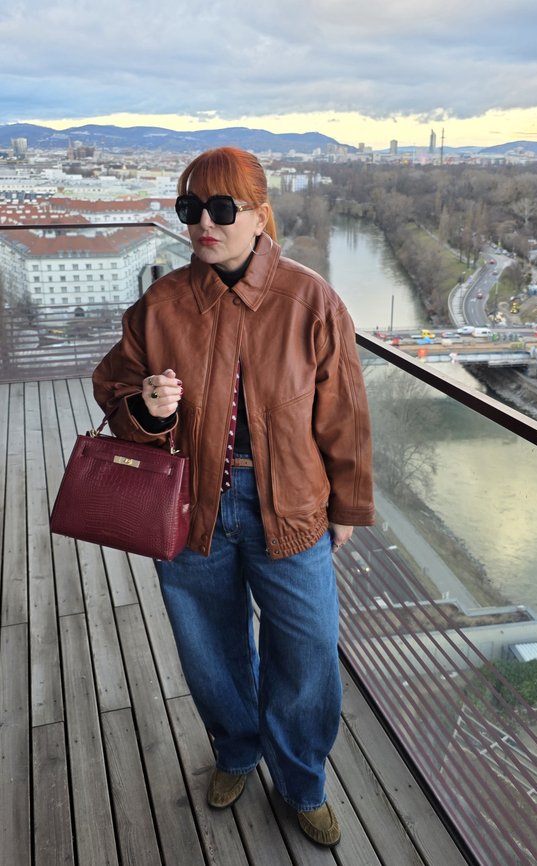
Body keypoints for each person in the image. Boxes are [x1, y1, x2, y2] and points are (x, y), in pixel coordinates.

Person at [92, 146, 374, 847]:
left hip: (294, 506)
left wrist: (346, 508)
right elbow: (114, 385)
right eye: (191, 210)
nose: (203, 225)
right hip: (192, 506)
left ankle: (303, 780)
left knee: (307, 657)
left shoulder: (310, 298)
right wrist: (148, 409)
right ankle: (237, 752)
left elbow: (343, 414)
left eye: (222, 209)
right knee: (210, 651)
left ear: (259, 214)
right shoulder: (163, 303)